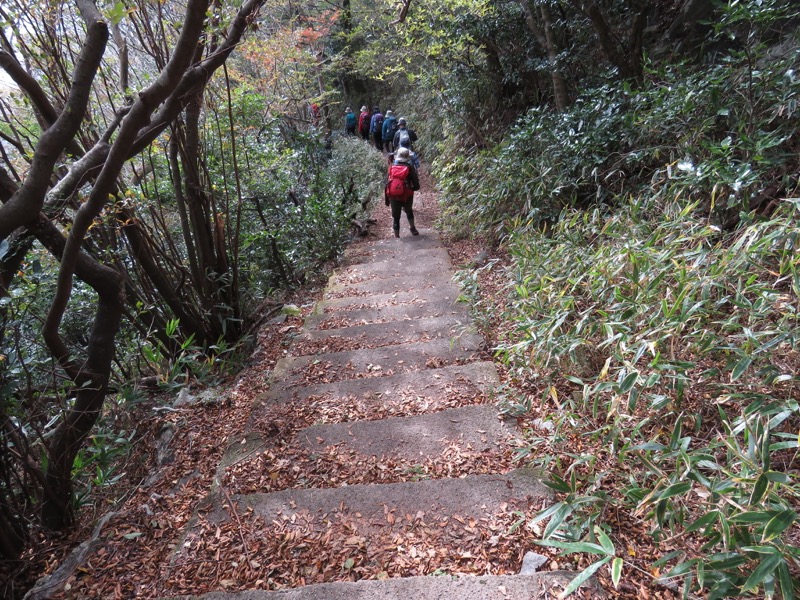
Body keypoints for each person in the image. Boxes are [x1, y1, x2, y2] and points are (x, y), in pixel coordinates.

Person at [384, 147, 420, 237]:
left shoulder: (392, 167)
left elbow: (386, 181)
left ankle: (397, 237)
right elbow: (416, 182)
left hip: (393, 195)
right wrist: (414, 188)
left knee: (396, 217)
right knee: (409, 211)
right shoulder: (409, 167)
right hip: (407, 194)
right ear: (407, 156)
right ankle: (412, 228)